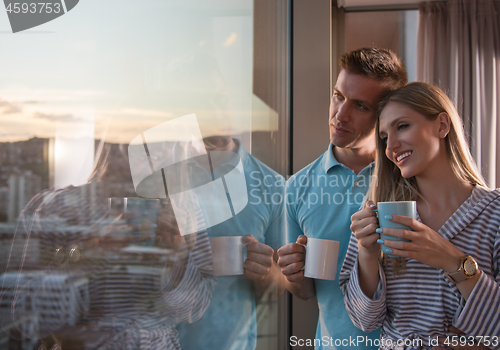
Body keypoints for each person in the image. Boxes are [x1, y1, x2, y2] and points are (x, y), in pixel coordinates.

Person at [340, 82, 500, 349]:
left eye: (402, 126)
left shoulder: (494, 212)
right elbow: (364, 320)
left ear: (442, 126)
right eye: (383, 137)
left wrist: (453, 261)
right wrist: (366, 253)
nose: (391, 146)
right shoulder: (378, 213)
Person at [277, 47, 407, 349]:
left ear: (385, 114)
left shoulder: (410, 178)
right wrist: (294, 275)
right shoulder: (297, 187)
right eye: (338, 96)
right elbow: (307, 291)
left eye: (360, 106)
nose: (340, 114)